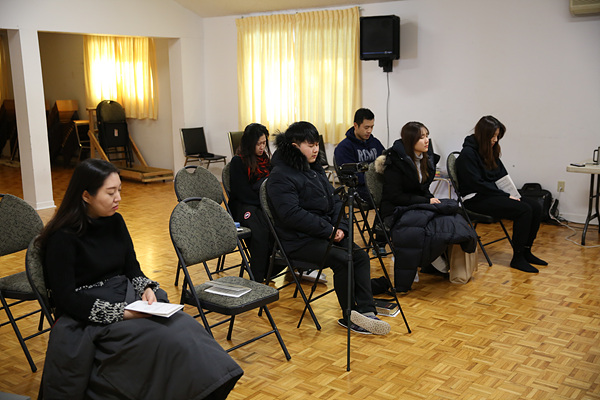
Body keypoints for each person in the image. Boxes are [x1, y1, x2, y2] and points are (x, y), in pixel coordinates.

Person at [36, 159, 243, 399]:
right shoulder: (62, 237)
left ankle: (210, 386)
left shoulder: (115, 222)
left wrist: (146, 288)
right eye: (110, 192)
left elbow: (132, 268)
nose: (118, 198)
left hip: (124, 298)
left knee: (185, 326)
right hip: (90, 314)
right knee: (166, 340)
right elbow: (66, 299)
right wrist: (122, 313)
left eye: (119, 190)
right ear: (85, 195)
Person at [267, 121, 390, 335]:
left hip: (323, 234)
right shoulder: (280, 175)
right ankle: (349, 315)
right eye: (310, 145)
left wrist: (340, 226)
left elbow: (334, 201)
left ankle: (366, 311)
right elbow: (291, 215)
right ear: (295, 146)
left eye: (317, 144)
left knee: (360, 256)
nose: (316, 149)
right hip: (298, 241)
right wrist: (329, 230)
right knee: (344, 260)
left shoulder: (314, 169)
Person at [378, 121, 477, 292]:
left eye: (427, 136)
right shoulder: (395, 161)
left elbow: (422, 190)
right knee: (427, 227)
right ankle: (429, 262)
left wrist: (430, 200)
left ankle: (435, 260)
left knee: (451, 214)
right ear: (411, 140)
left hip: (416, 205)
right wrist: (426, 202)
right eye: (421, 137)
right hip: (395, 209)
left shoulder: (425, 159)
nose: (427, 140)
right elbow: (395, 196)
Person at [455, 115, 547, 273]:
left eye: (497, 136)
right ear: (483, 135)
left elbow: (501, 175)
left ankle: (526, 251)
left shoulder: (490, 150)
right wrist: (504, 196)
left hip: (491, 194)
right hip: (475, 198)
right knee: (524, 210)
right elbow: (477, 184)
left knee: (535, 207)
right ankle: (518, 257)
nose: (495, 140)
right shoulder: (467, 154)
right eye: (493, 136)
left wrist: (512, 193)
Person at [228, 123, 275, 282]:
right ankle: (258, 278)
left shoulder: (265, 160)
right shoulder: (238, 161)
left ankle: (271, 269)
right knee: (260, 231)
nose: (262, 147)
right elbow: (241, 192)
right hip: (244, 205)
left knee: (278, 225)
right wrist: (263, 202)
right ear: (250, 143)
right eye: (258, 144)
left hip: (260, 203)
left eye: (264, 143)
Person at [334, 108, 385, 204]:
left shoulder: (375, 143)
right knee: (390, 197)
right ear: (355, 125)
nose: (369, 131)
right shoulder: (344, 147)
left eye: (372, 127)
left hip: (378, 183)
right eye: (366, 127)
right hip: (360, 188)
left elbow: (384, 161)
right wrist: (373, 181)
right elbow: (350, 176)